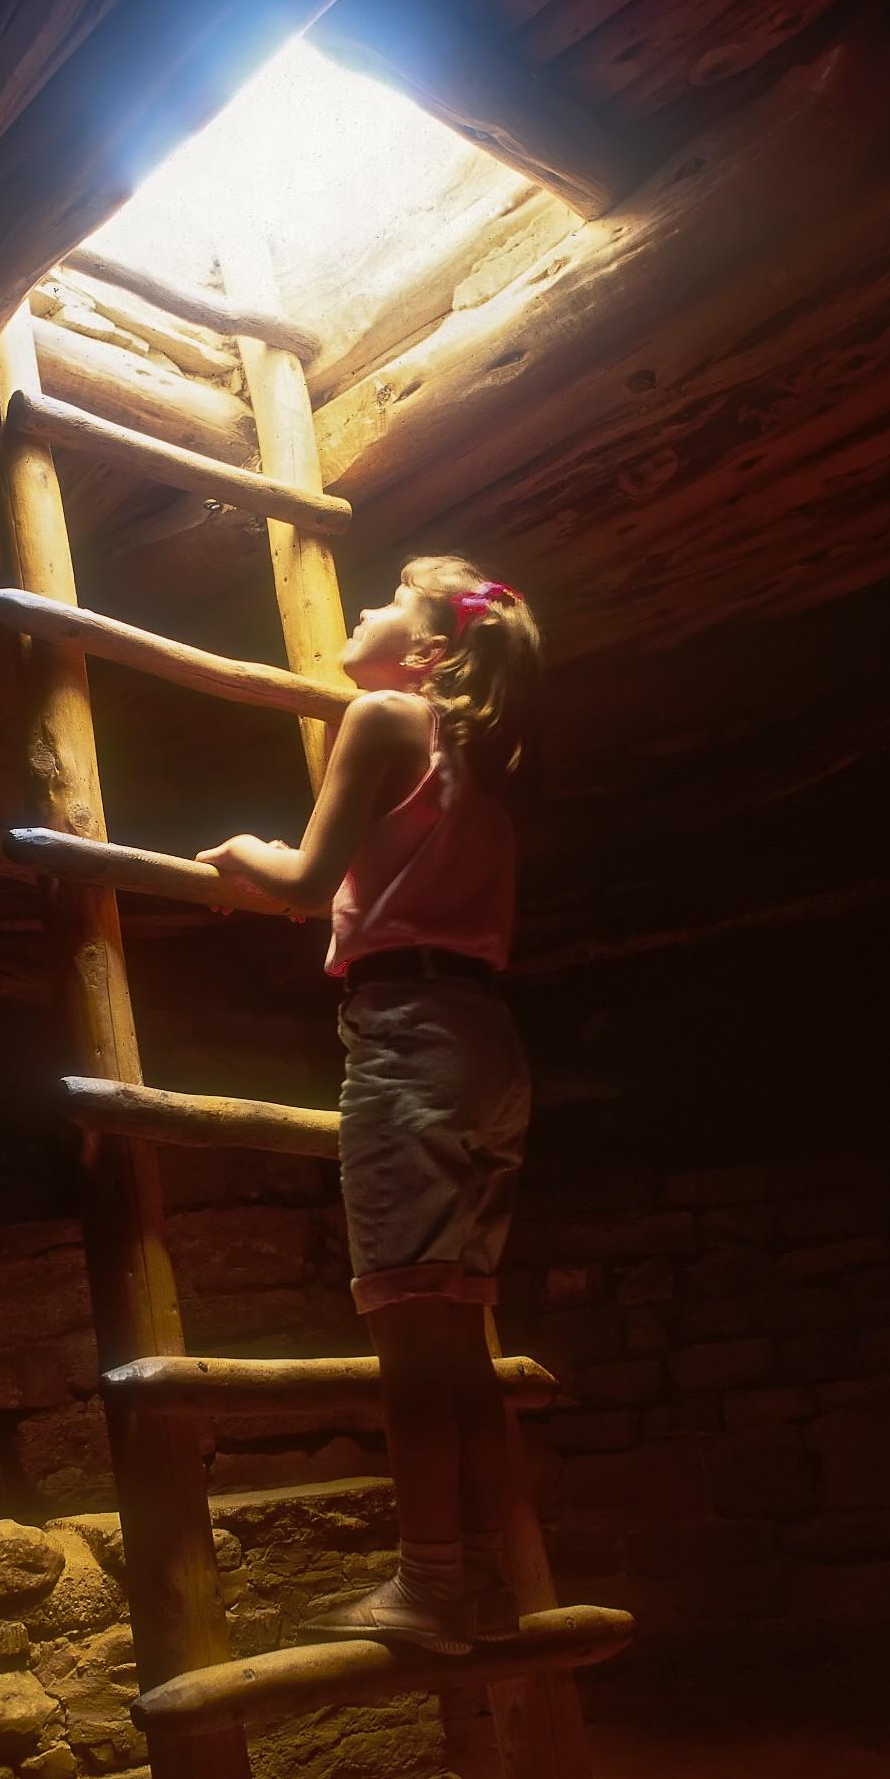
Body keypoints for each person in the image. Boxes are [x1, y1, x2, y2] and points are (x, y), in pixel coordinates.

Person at [196, 554, 541, 1656]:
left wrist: (240, 852)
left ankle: (431, 1586)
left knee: (408, 1337)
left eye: (391, 600)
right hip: (486, 1046)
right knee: (456, 1341)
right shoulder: (486, 756)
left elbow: (301, 882)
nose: (361, 610)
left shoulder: (387, 717)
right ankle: (482, 1576)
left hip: (407, 1044)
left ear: (431, 651)